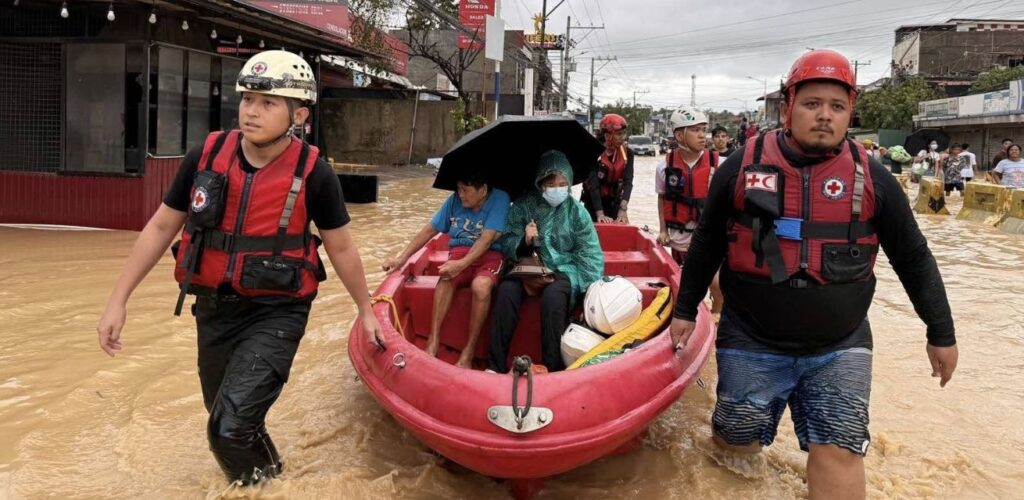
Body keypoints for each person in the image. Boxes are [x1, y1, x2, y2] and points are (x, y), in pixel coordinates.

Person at [669, 49, 957, 500]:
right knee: (734, 453)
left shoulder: (875, 178)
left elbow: (914, 258)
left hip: (839, 346)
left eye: (837, 107)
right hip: (751, 338)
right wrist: (685, 309)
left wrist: (940, 331)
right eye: (812, 103)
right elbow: (706, 241)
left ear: (849, 114)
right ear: (788, 108)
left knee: (841, 450)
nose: (824, 116)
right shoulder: (742, 167)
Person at [95, 51, 383, 486]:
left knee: (226, 430)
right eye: (248, 98)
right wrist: (118, 301)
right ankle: (278, 485)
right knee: (230, 421)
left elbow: (342, 249)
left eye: (268, 103)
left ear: (298, 114)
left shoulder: (315, 174)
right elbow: (159, 228)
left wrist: (366, 310)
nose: (252, 111)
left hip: (277, 312)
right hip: (214, 309)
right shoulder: (205, 157)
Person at [488, 150, 604, 373]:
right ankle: (494, 364)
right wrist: (525, 240)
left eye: (562, 183)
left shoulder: (577, 213)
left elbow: (590, 254)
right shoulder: (523, 206)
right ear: (540, 183)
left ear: (569, 184)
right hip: (528, 266)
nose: (557, 188)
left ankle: (552, 365)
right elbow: (507, 242)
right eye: (551, 184)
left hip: (563, 269)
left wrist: (586, 287)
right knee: (506, 292)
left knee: (554, 298)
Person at [381, 172, 510, 368]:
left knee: (481, 287)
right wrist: (402, 258)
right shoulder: (454, 201)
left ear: (482, 190)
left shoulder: (500, 199)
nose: (460, 195)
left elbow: (487, 239)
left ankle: (468, 351)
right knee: (446, 279)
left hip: (490, 255)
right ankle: (433, 342)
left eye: (465, 190)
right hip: (459, 251)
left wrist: (461, 264)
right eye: (458, 189)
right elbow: (430, 230)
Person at [656, 105, 719, 264]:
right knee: (680, 286)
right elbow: (662, 199)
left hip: (708, 241)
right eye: (695, 130)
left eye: (703, 130)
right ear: (679, 135)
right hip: (678, 241)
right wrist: (663, 230)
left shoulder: (718, 164)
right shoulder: (664, 167)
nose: (702, 136)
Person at [583, 113, 634, 224]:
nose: (623, 138)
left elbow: (628, 182)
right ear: (607, 136)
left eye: (624, 133)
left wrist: (622, 209)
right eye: (619, 134)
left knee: (622, 227)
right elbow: (593, 186)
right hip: (593, 203)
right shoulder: (593, 152)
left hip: (614, 202)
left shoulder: (627, 153)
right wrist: (600, 214)